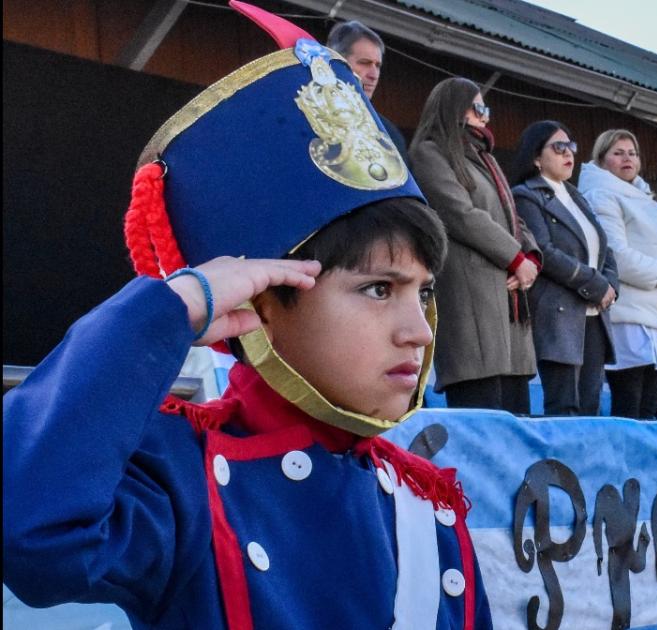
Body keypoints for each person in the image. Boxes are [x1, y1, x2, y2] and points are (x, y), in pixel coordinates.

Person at [3, 4, 491, 628]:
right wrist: (173, 308)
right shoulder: (182, 480)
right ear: (259, 301)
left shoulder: (427, 502)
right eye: (377, 289)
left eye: (422, 293)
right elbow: (28, 526)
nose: (419, 331)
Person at [410, 77, 541, 414]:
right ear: (455, 108)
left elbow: (514, 217)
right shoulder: (430, 151)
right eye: (478, 107)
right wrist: (514, 257)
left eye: (487, 108)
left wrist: (530, 259)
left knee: (516, 415)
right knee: (481, 407)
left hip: (507, 297)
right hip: (472, 296)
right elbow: (460, 214)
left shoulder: (486, 158)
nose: (486, 116)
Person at [578, 129, 657, 419]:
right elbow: (616, 253)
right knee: (630, 402)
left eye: (632, 153)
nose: (627, 158)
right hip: (630, 313)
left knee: (650, 406)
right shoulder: (601, 194)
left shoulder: (648, 200)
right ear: (602, 159)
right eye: (618, 153)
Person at [509, 121, 618, 416]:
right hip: (559, 313)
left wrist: (611, 286)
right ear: (535, 157)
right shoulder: (526, 195)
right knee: (564, 405)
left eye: (571, 147)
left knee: (591, 405)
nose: (568, 153)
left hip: (594, 315)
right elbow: (544, 251)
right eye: (558, 147)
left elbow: (604, 249)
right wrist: (596, 284)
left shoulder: (577, 197)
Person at [326, 19, 410, 167]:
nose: (374, 74)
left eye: (378, 66)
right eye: (364, 63)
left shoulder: (389, 133)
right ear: (336, 62)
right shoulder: (308, 115)